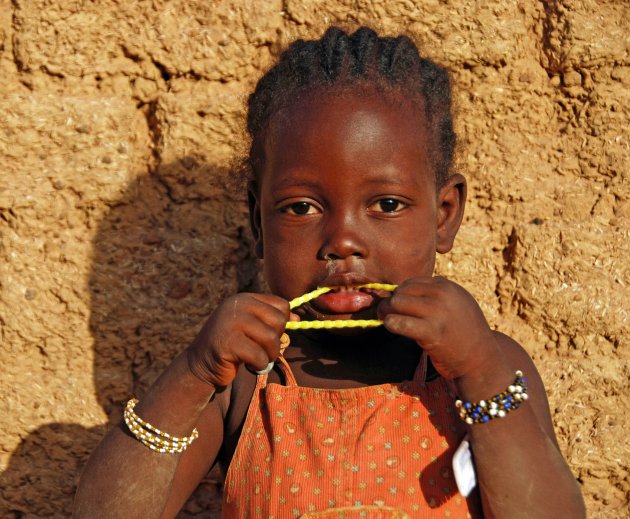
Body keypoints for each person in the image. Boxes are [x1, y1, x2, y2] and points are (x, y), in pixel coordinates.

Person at [74, 27, 585, 518]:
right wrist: (193, 373)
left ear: (445, 215)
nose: (342, 240)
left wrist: (479, 369)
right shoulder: (246, 383)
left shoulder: (482, 370)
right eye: (301, 208)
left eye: (385, 204)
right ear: (259, 221)